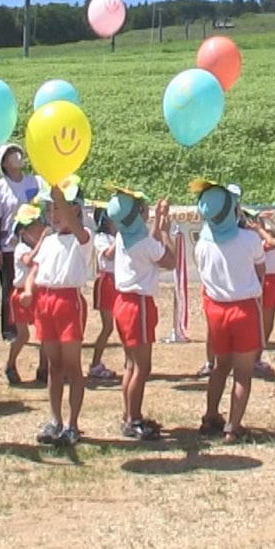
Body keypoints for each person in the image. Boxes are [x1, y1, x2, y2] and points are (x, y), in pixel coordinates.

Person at [193, 179, 266, 443]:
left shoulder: (202, 244)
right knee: (243, 372)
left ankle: (210, 415)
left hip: (216, 311)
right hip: (244, 309)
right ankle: (233, 427)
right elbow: (261, 272)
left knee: (219, 366)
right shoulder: (250, 239)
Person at [23, 178, 93, 446]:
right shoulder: (49, 240)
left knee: (72, 366)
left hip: (68, 303)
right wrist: (29, 291)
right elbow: (36, 269)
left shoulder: (82, 238)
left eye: (58, 209)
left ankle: (73, 424)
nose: (53, 215)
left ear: (75, 210)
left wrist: (60, 196)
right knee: (53, 366)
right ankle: (55, 420)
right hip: (46, 303)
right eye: (50, 210)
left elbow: (78, 230)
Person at [108, 186, 177, 440]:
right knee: (142, 367)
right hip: (139, 306)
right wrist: (166, 232)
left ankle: (128, 415)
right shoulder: (146, 244)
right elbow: (169, 260)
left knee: (130, 364)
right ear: (137, 214)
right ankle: (135, 419)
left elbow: (149, 239)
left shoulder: (124, 238)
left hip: (122, 303)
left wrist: (158, 221)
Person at [0, 143, 40, 340]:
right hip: (9, 244)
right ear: (5, 163)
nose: (17, 157)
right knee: (9, 287)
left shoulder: (32, 182)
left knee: (32, 283)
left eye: (16, 152)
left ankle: (31, 323)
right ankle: (9, 329)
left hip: (32, 243)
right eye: (11, 155)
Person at [5, 203, 46, 386]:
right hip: (21, 293)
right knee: (23, 336)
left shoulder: (41, 247)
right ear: (23, 232)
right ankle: (10, 364)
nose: (38, 230)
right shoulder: (21, 248)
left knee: (44, 333)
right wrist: (41, 243)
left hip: (38, 292)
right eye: (34, 227)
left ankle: (44, 368)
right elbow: (29, 261)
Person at [245, 208, 275, 376]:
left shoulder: (263, 236)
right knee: (262, 321)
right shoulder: (254, 241)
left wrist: (267, 229)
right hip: (264, 281)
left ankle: (258, 357)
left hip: (274, 280)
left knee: (269, 322)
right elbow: (273, 244)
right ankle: (253, 359)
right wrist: (259, 230)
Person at [88, 208, 119, 381]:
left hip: (119, 280)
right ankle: (95, 364)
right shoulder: (101, 238)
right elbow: (108, 255)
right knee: (108, 326)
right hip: (106, 281)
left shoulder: (116, 237)